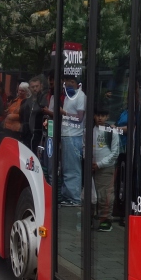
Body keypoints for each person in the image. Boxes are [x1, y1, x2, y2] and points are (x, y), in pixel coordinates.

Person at [90, 107, 119, 231]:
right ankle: (93, 218)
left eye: (103, 115)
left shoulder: (112, 132)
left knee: (105, 195)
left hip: (106, 169)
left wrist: (100, 164)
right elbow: (85, 147)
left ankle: (106, 220)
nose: (100, 118)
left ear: (107, 117)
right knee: (92, 196)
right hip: (91, 169)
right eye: (98, 115)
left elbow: (115, 153)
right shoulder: (89, 131)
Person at [59, 76, 85, 204]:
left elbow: (80, 117)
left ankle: (74, 198)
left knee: (73, 168)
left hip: (75, 136)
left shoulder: (80, 97)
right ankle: (68, 196)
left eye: (67, 84)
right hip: (67, 134)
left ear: (74, 83)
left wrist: (63, 113)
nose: (66, 86)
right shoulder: (69, 97)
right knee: (67, 168)